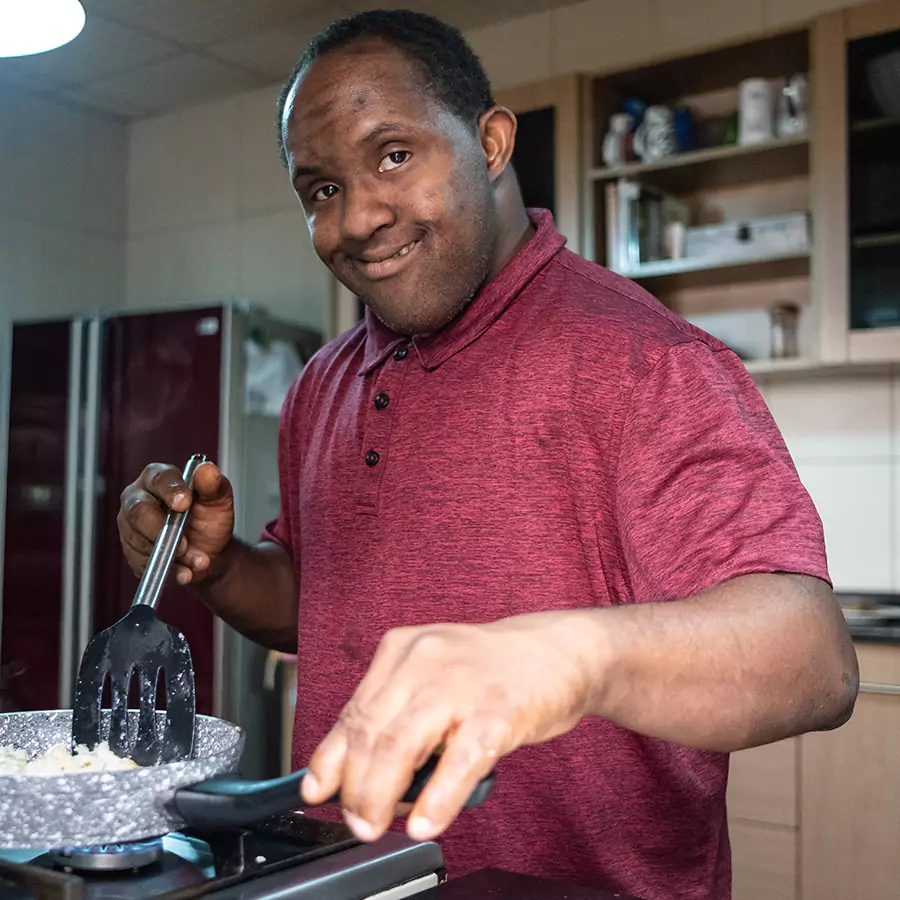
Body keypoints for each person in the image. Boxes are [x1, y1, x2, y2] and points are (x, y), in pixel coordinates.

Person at [117, 10, 858, 900]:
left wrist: (565, 659)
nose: (357, 218)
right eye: (319, 189)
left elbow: (812, 659)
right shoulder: (323, 383)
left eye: (394, 155)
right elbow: (316, 606)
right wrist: (223, 564)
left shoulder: (645, 361)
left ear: (493, 143)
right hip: (341, 879)